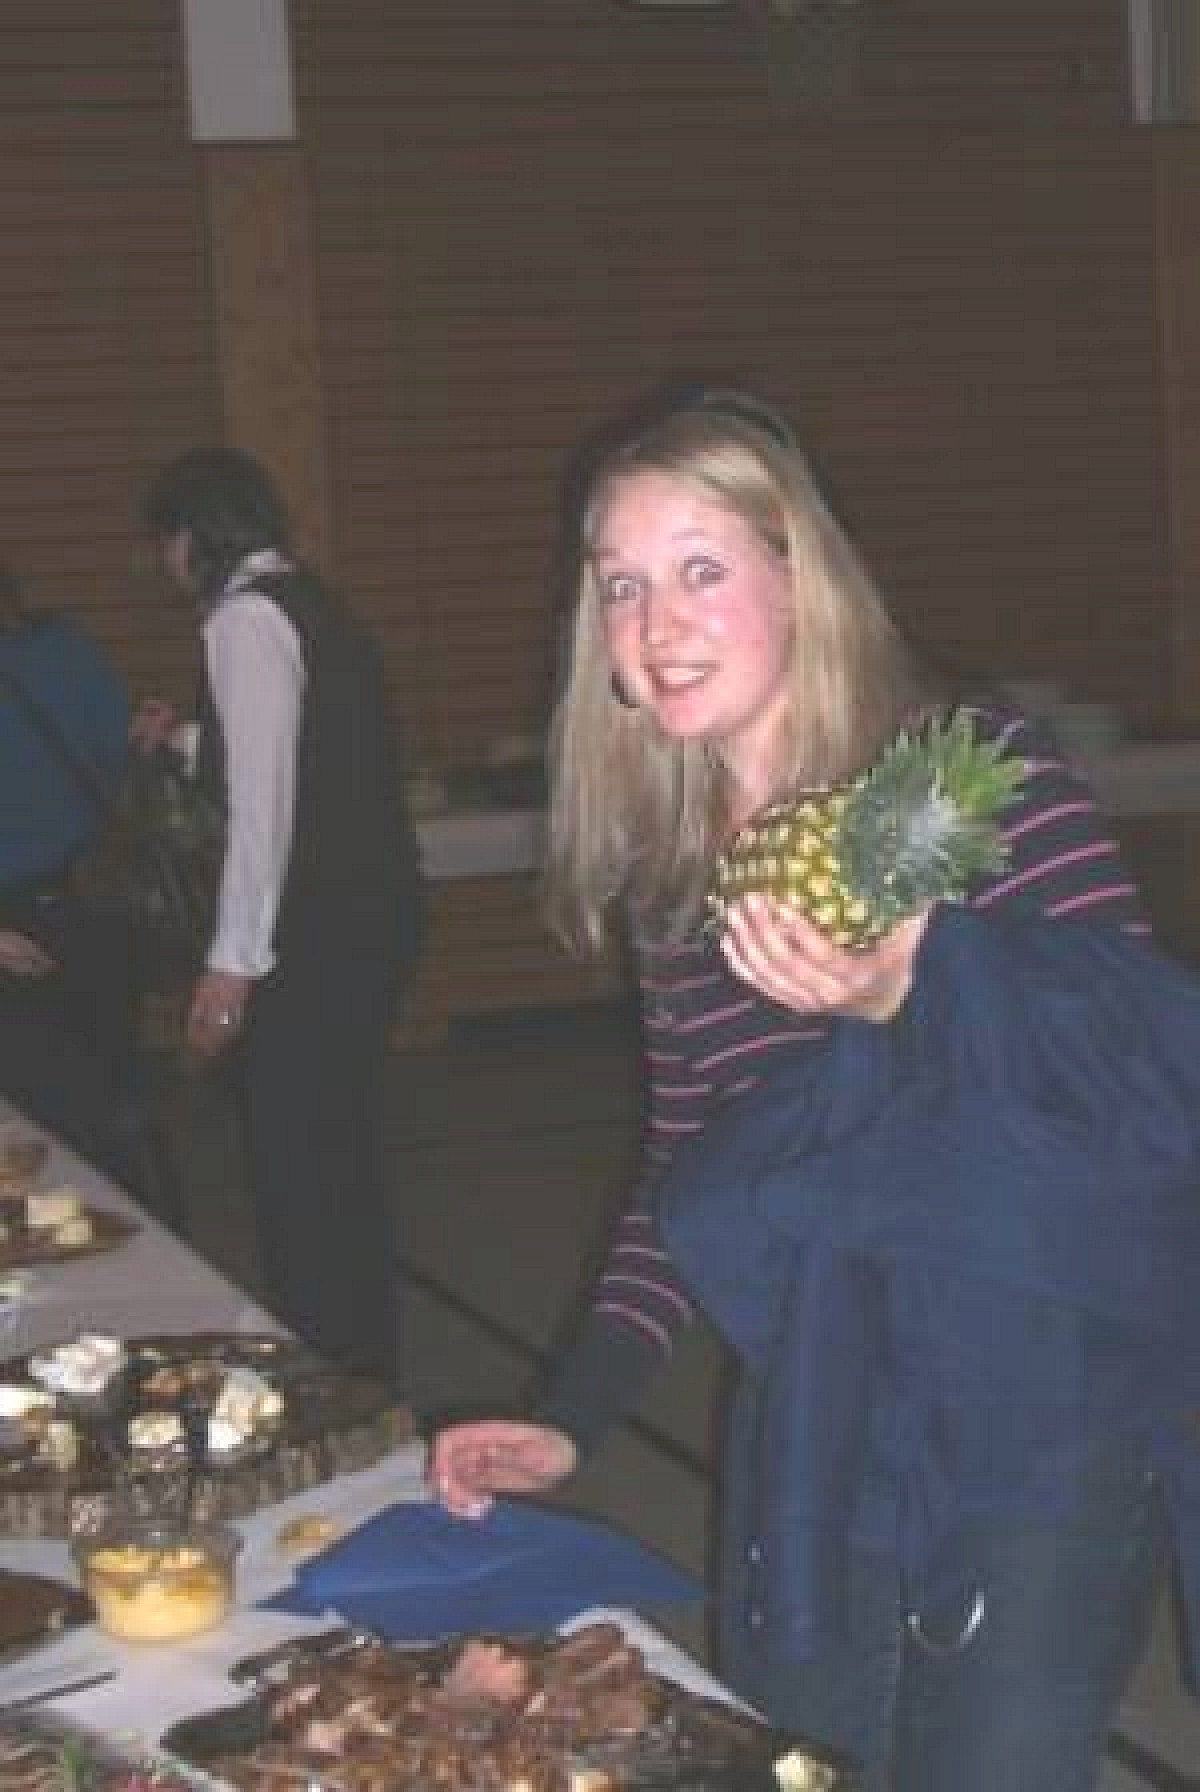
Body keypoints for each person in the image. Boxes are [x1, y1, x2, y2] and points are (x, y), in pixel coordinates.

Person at [430, 390, 1200, 1791]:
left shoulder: (960, 782)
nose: (659, 621)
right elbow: (690, 1158)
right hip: (831, 1398)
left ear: (800, 582)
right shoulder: (674, 877)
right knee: (807, 1757)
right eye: (622, 585)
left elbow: (1146, 1068)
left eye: (701, 569)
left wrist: (921, 983)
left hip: (1038, 1406)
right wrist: (574, 1411)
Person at [135, 448, 423, 1385]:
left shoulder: (244, 619)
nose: (165, 563)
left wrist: (231, 966)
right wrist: (188, 739)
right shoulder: (303, 602)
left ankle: (330, 1361)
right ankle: (360, 1356)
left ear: (194, 535)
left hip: (321, 925)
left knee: (299, 1156)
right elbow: (292, 752)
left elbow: (265, 809)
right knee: (336, 1144)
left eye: (167, 541)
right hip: (368, 912)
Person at [0, 567, 153, 1191]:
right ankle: (144, 1226)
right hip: (97, 902)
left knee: (34, 1124)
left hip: (18, 921)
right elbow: (121, 757)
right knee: (111, 1101)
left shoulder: (64, 652)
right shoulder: (70, 650)